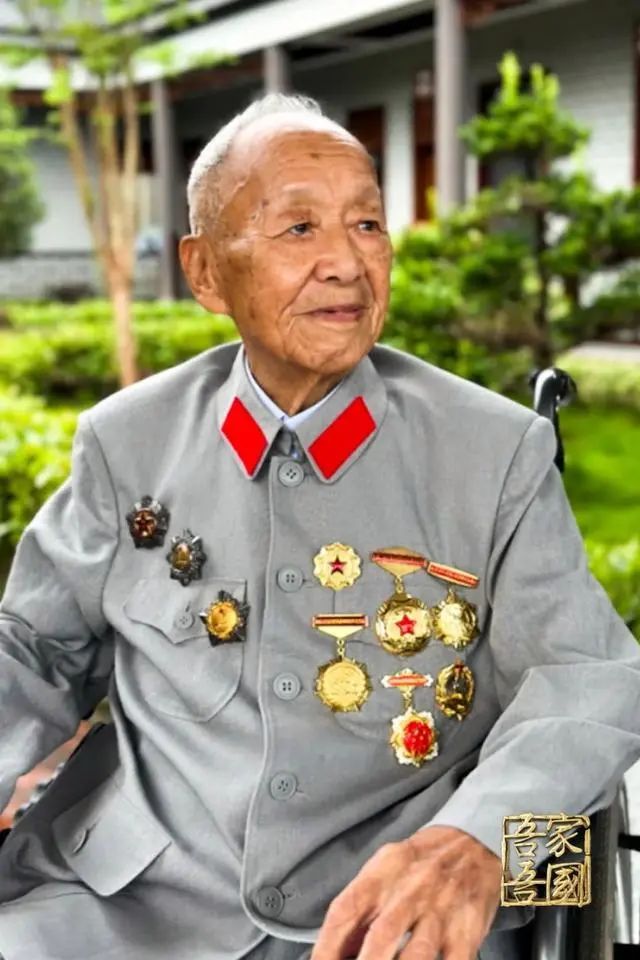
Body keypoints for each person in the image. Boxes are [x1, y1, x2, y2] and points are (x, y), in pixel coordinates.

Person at [0, 92, 638, 960]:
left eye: (367, 224)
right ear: (205, 272)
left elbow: (592, 681)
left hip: (386, 919)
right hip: (130, 903)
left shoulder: (494, 453)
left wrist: (485, 843)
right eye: (298, 228)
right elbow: (31, 650)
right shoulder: (129, 442)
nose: (346, 262)